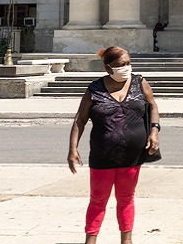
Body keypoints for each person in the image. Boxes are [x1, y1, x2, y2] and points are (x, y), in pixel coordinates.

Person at [68, 46, 160, 244]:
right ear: (108, 67)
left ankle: (126, 240)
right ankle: (90, 240)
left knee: (126, 198)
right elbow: (80, 120)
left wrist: (154, 130)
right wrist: (73, 149)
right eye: (120, 65)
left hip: (132, 156)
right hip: (102, 156)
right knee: (98, 200)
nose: (126, 68)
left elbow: (152, 105)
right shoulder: (95, 89)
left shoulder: (139, 82)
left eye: (128, 63)